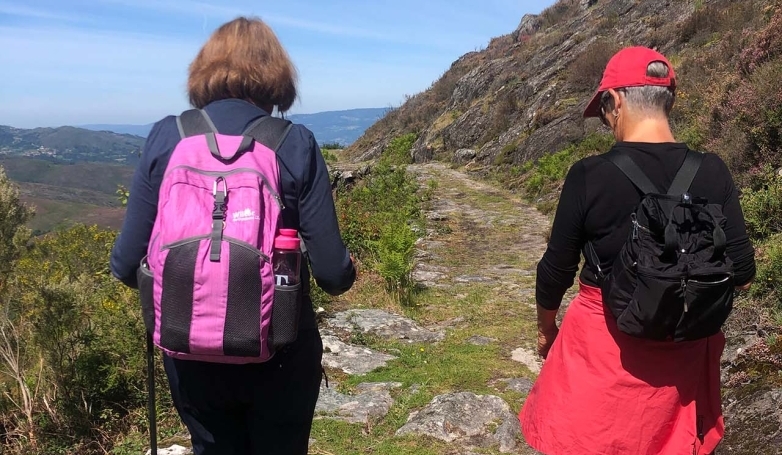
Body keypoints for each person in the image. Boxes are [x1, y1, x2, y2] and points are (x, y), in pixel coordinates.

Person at [109, 17, 356, 455]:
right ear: (276, 74)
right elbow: (334, 275)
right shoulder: (294, 143)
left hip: (189, 354)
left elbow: (126, 265)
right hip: (280, 350)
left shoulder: (169, 137)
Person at [518, 46, 756, 454]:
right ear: (670, 100)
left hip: (604, 354)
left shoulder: (589, 175)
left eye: (604, 110)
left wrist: (546, 331)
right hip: (684, 363)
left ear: (616, 101)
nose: (607, 121)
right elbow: (743, 270)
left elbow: (555, 270)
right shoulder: (712, 170)